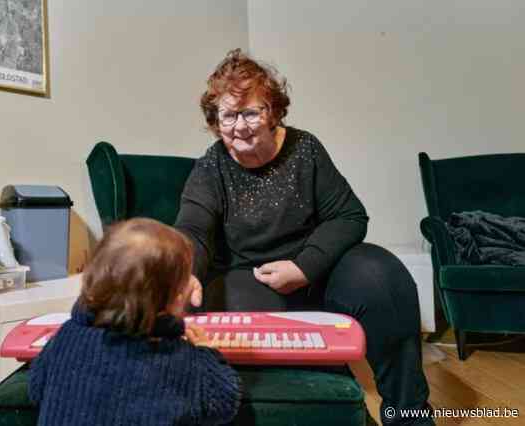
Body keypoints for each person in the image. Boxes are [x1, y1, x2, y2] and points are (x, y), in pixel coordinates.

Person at [174, 49, 434, 426]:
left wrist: (304, 265)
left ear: (274, 112)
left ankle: (410, 416)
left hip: (318, 266)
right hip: (253, 276)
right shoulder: (211, 167)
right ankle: (333, 401)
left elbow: (349, 215)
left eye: (252, 112)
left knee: (383, 279)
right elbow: (193, 230)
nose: (240, 126)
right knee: (226, 302)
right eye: (229, 115)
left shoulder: (305, 149)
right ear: (216, 122)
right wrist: (183, 271)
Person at [28, 218, 241, 426]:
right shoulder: (184, 359)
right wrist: (207, 352)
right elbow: (223, 403)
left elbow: (36, 389)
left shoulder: (67, 336)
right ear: (176, 297)